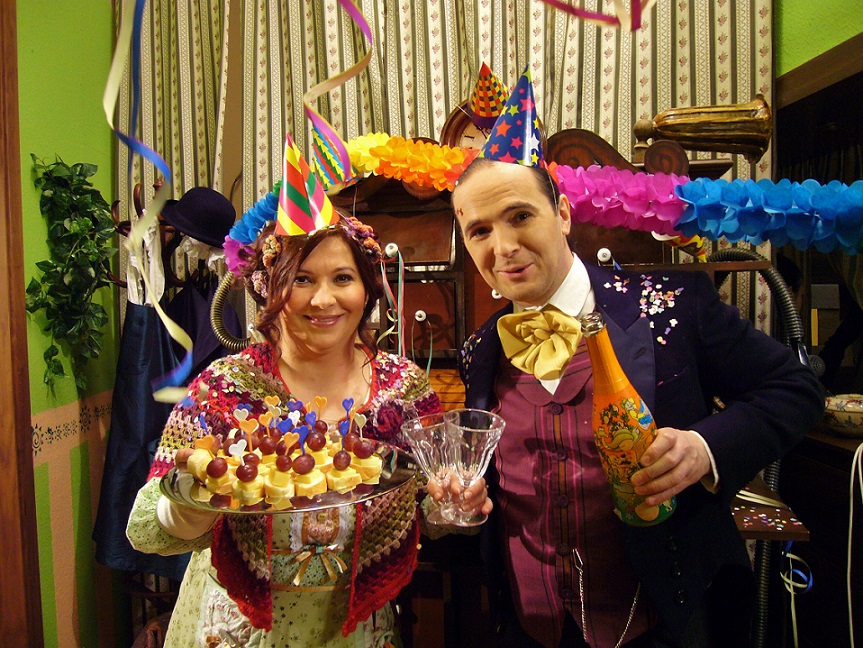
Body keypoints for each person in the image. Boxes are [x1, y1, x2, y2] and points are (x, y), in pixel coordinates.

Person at [441, 69, 825, 648]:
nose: (503, 247)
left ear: (562, 213)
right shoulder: (481, 348)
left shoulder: (674, 305)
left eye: (520, 216)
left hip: (664, 621)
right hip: (528, 628)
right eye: (479, 231)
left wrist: (703, 448)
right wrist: (465, 500)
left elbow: (796, 389)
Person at [126, 151, 441, 647]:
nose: (323, 299)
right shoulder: (225, 388)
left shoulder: (404, 390)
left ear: (367, 288)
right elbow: (149, 528)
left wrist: (453, 502)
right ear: (268, 288)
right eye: (301, 279)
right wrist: (195, 502)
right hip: (236, 630)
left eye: (342, 278)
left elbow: (430, 507)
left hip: (356, 633)